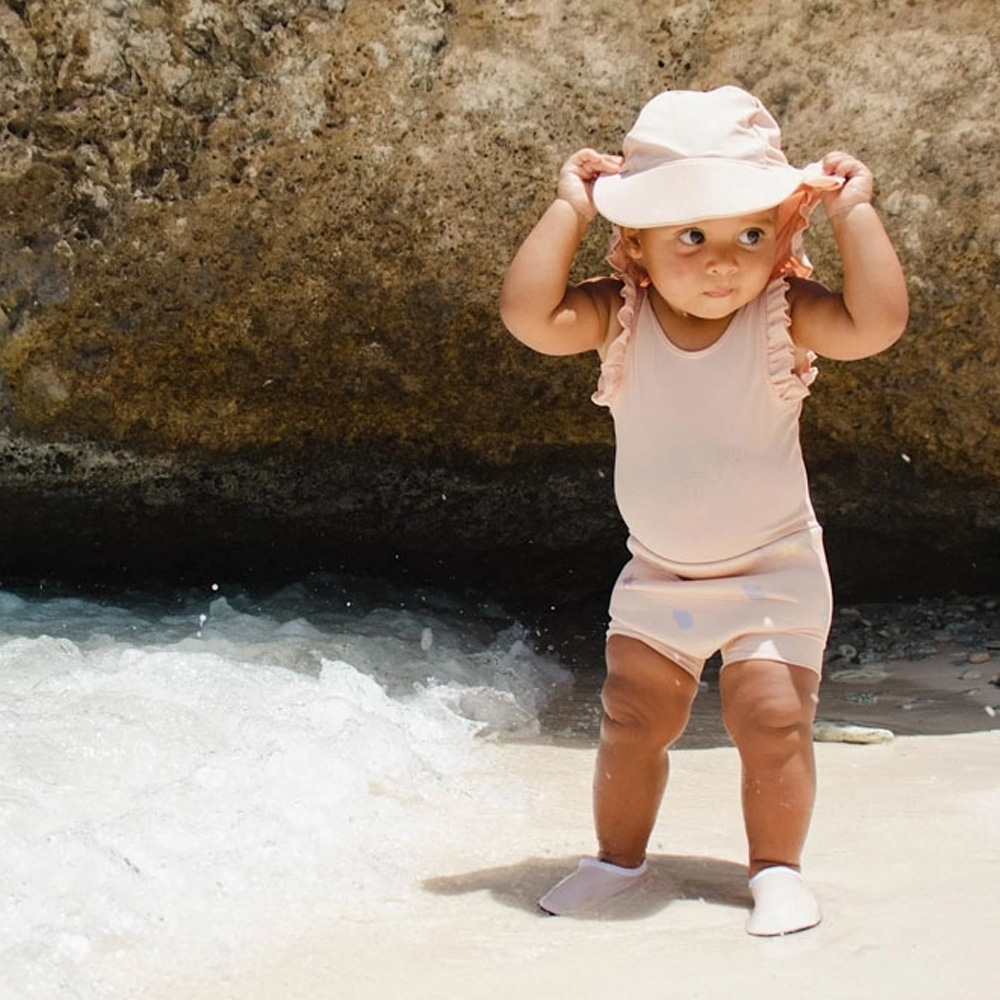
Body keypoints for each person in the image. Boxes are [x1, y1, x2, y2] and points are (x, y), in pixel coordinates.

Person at [499, 85, 907, 936]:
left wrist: (856, 215)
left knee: (772, 720)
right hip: (661, 573)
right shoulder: (620, 314)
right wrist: (569, 207)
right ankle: (617, 860)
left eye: (750, 235)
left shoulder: (782, 314)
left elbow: (875, 325)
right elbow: (528, 315)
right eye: (692, 236)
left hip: (774, 569)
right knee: (632, 718)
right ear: (636, 245)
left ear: (782, 236)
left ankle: (777, 871)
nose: (725, 263)